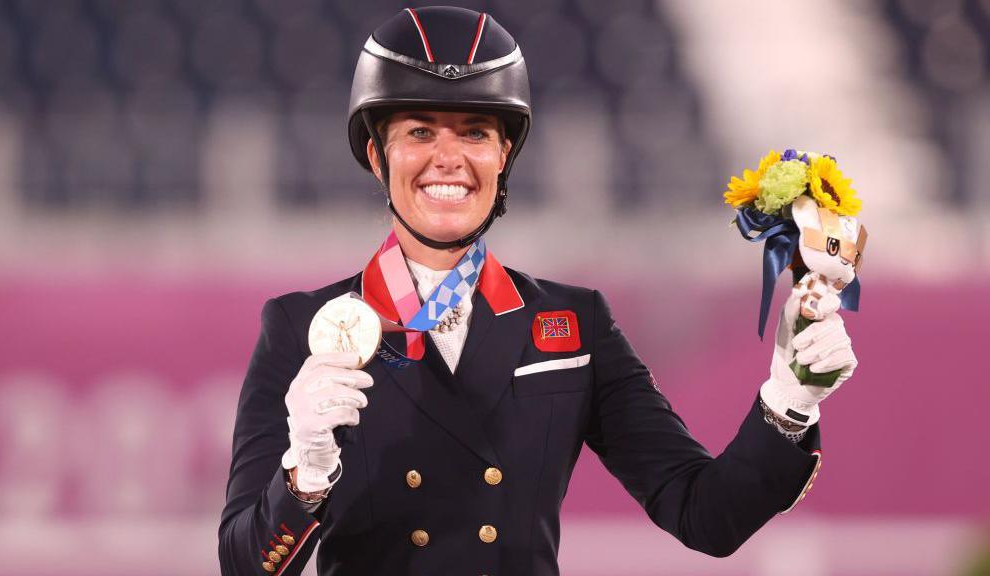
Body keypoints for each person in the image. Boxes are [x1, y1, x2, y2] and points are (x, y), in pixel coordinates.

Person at [218, 7, 857, 576]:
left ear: (504, 157)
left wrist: (788, 402)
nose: (448, 157)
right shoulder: (304, 327)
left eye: (474, 132)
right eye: (419, 132)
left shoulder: (574, 323)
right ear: (378, 156)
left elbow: (705, 515)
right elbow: (245, 567)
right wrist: (302, 476)